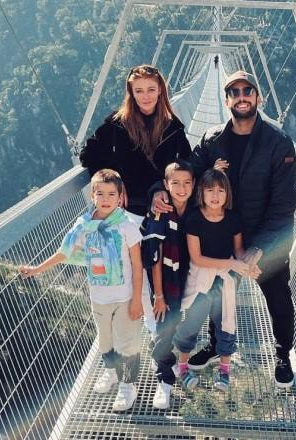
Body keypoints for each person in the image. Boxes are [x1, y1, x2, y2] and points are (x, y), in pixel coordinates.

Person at [153, 70, 296, 388]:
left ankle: (283, 354)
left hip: (263, 237)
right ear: (226, 100)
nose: (242, 96)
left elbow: (283, 207)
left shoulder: (279, 143)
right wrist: (160, 189)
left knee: (277, 294)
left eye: (248, 90)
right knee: (215, 293)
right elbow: (188, 169)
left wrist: (258, 248)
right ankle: (216, 346)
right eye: (234, 92)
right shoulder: (212, 138)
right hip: (220, 231)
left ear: (258, 98)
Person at [79, 64, 192, 337]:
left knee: (163, 270)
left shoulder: (172, 127)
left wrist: (163, 187)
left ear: (161, 91)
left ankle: (166, 326)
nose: (145, 96)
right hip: (129, 212)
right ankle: (154, 329)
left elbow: (185, 163)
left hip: (160, 211)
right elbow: (88, 155)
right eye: (138, 90)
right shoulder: (116, 124)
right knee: (136, 271)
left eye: (151, 90)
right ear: (130, 92)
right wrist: (115, 180)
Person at [19, 169, 144, 412]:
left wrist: (137, 300)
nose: (106, 199)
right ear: (92, 195)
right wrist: (37, 269)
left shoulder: (127, 227)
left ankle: (128, 386)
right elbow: (65, 252)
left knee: (127, 343)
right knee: (105, 340)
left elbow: (138, 266)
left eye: (111, 194)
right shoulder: (83, 226)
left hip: (125, 296)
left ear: (121, 197)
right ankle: (111, 372)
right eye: (100, 193)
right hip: (98, 297)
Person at [172, 169, 261, 393]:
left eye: (220, 190)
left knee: (225, 324)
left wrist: (249, 266)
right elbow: (197, 258)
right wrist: (231, 264)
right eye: (210, 189)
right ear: (201, 192)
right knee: (192, 323)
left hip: (223, 282)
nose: (215, 195)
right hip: (201, 280)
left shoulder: (233, 219)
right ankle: (182, 366)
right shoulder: (194, 218)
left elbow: (238, 251)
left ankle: (224, 371)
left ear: (227, 194)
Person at [140, 161, 194, 409]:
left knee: (180, 325)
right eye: (175, 183)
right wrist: (158, 295)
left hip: (190, 276)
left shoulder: (196, 208)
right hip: (166, 280)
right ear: (165, 185)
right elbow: (155, 257)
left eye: (187, 183)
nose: (181, 189)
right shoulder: (160, 212)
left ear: (194, 184)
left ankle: (166, 354)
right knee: (166, 325)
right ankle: (165, 382)